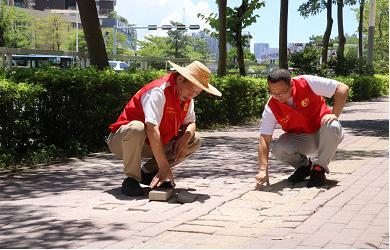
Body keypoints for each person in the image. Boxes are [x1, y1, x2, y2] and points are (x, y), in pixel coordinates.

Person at [107, 60, 221, 196]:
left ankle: (148, 173)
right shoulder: (158, 91)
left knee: (194, 138)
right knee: (137, 127)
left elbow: (191, 123)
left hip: (151, 143)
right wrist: (165, 166)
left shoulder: (186, 98)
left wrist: (184, 139)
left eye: (198, 92)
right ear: (180, 79)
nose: (193, 94)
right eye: (192, 89)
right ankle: (131, 179)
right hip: (123, 142)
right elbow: (151, 128)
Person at [256, 69, 349, 188]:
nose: (278, 96)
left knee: (333, 125)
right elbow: (264, 139)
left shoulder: (307, 82)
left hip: (325, 133)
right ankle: (305, 167)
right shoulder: (271, 107)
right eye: (273, 92)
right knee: (279, 148)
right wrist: (263, 169)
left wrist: (334, 114)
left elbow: (343, 89)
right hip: (303, 139)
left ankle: (319, 169)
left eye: (282, 92)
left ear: (291, 85)